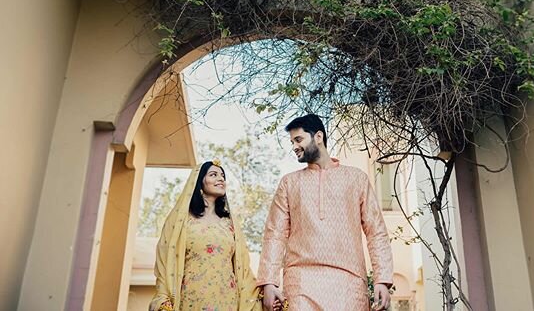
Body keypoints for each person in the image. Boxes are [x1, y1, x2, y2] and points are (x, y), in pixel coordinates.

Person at [258, 114, 394, 311]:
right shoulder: (289, 183)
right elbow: (275, 234)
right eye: (292, 142)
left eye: (298, 139)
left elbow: (376, 231)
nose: (294, 146)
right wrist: (269, 282)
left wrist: (382, 279)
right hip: (300, 281)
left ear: (318, 137)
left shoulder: (356, 179)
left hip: (349, 281)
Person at [149, 160, 262, 311]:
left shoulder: (230, 223)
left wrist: (264, 292)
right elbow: (165, 260)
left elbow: (243, 269)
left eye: (222, 176)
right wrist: (163, 299)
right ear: (199, 182)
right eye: (213, 175)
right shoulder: (181, 221)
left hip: (228, 301)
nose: (221, 179)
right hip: (191, 299)